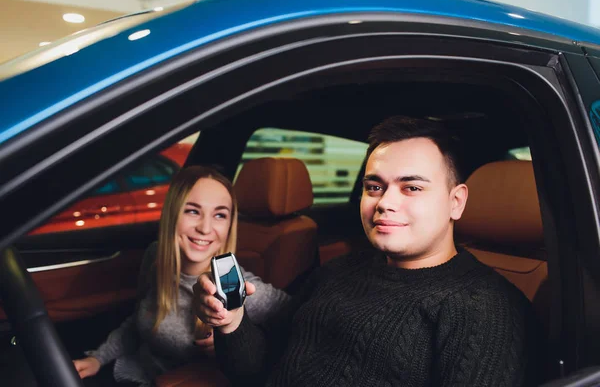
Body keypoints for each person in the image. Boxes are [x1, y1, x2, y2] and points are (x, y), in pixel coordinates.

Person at [194, 116, 543, 386]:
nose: (384, 203)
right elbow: (263, 368)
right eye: (374, 186)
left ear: (456, 202)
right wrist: (232, 322)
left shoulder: (486, 310)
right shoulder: (339, 270)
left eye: (412, 187)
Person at [73, 165, 290, 386]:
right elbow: (137, 321)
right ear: (172, 214)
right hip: (131, 371)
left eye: (219, 215)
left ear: (229, 225)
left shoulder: (240, 288)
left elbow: (299, 327)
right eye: (193, 211)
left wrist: (237, 339)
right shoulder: (155, 256)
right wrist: (97, 358)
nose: (205, 228)